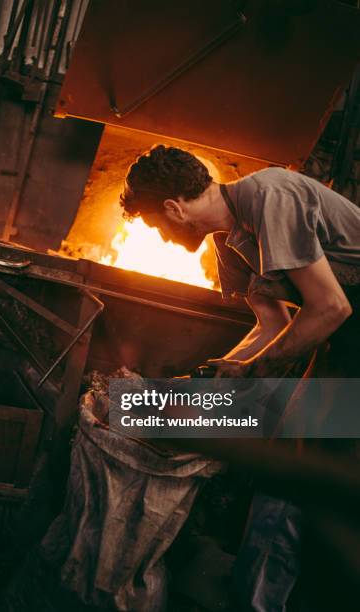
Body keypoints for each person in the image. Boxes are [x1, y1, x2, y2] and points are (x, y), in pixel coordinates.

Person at [119, 144, 360, 611]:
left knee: (295, 474)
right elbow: (270, 327)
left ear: (173, 207)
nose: (163, 238)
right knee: (285, 457)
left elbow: (331, 307)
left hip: (349, 328)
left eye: (156, 226)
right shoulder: (230, 243)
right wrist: (211, 381)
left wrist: (252, 372)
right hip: (345, 337)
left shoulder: (271, 196)